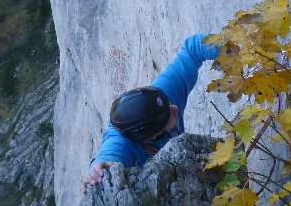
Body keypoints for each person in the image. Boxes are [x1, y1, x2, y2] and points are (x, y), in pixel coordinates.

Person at [80, 33, 219, 193]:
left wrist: (237, 50)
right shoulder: (126, 145)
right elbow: (110, 154)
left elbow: (193, 48)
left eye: (168, 105)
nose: (175, 108)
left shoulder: (162, 98)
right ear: (152, 136)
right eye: (168, 115)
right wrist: (98, 169)